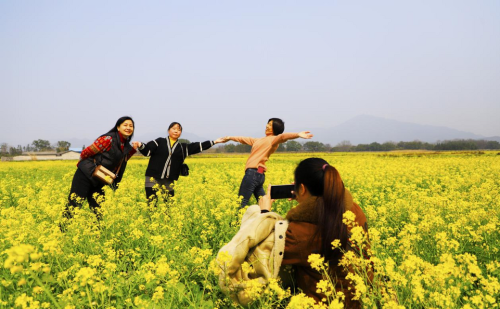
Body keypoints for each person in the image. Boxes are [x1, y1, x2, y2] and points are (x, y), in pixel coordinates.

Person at [217, 158, 371, 308]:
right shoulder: (355, 210)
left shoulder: (299, 233)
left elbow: (259, 254)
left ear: (302, 189)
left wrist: (264, 213)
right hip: (364, 297)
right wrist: (304, 197)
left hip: (323, 303)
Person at [223, 118, 313, 207]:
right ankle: (271, 220)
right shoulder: (259, 140)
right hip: (259, 175)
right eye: (267, 124)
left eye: (270, 125)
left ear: (275, 128)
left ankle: (238, 221)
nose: (266, 126)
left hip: (253, 174)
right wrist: (230, 138)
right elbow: (244, 139)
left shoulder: (273, 140)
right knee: (264, 203)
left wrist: (297, 134)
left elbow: (282, 137)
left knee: (241, 203)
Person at [65, 116, 138, 219]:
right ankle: (62, 230)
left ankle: (97, 233)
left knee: (98, 208)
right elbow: (86, 153)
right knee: (75, 204)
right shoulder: (108, 139)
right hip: (85, 175)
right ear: (118, 127)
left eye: (131, 126)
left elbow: (119, 160)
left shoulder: (124, 144)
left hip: (100, 178)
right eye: (125, 125)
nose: (128, 128)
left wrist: (133, 150)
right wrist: (87, 167)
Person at [135, 122, 226, 202]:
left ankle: (167, 221)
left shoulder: (183, 147)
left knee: (169, 204)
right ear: (168, 131)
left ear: (180, 133)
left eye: (179, 130)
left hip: (169, 179)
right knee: (151, 201)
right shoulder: (159, 142)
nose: (176, 131)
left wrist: (214, 142)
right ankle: (152, 220)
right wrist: (140, 145)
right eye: (173, 129)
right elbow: (147, 151)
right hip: (152, 177)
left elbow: (198, 146)